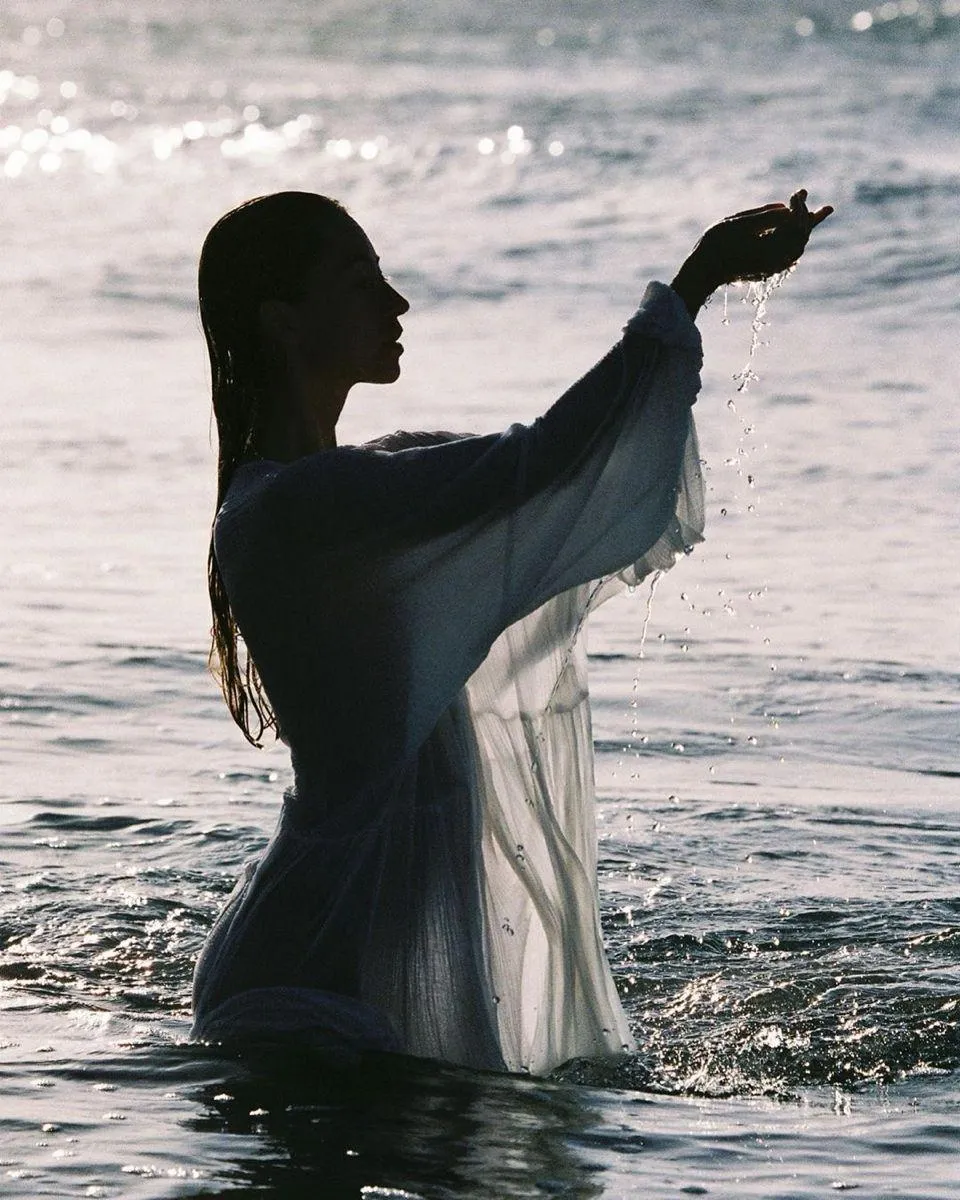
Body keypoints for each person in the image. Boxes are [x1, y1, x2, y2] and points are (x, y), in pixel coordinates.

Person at [191, 188, 831, 1074]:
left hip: (341, 960)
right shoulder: (301, 509)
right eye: (361, 280)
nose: (397, 303)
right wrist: (694, 283)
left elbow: (546, 470)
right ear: (283, 322)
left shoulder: (350, 491)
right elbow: (552, 459)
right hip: (304, 985)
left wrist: (688, 305)